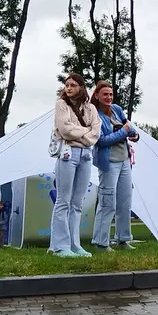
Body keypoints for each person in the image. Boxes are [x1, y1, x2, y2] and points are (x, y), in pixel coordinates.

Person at [49, 72, 101, 257]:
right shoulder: (61, 105)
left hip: (86, 155)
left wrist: (81, 134)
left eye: (72, 85)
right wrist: (85, 132)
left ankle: (74, 244)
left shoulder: (91, 108)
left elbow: (96, 133)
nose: (68, 88)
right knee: (63, 200)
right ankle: (59, 246)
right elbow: (65, 129)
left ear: (81, 87)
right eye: (66, 85)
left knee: (77, 202)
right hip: (67, 154)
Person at [90, 81, 138, 251]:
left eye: (111, 94)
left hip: (124, 160)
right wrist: (124, 132)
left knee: (125, 201)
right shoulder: (94, 115)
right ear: (97, 95)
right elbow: (101, 141)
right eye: (105, 94)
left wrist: (134, 134)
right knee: (107, 202)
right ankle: (101, 242)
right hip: (108, 162)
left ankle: (123, 239)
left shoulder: (117, 109)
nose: (109, 97)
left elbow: (128, 126)